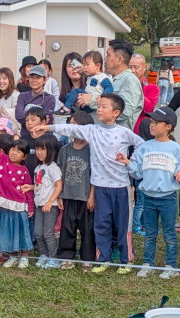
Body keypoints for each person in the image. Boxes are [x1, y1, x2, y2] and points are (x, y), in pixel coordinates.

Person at [52, 94, 142, 274]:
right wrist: (47, 127)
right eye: (98, 106)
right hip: (100, 187)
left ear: (116, 112)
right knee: (101, 224)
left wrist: (130, 162)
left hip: (120, 187)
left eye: (104, 107)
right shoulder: (92, 130)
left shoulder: (124, 132)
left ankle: (125, 260)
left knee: (122, 225)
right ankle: (104, 259)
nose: (99, 110)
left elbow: (142, 145)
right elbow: (69, 129)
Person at [128, 107, 180, 280]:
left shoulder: (174, 148)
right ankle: (148, 263)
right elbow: (137, 172)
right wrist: (127, 163)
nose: (151, 125)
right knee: (150, 233)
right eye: (151, 122)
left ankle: (171, 266)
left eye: (156, 122)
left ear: (168, 126)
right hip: (148, 197)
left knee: (169, 233)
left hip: (168, 198)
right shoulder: (144, 147)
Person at [0, 133, 34, 267]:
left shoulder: (24, 171)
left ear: (25, 156)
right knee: (7, 230)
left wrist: (30, 206)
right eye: (13, 149)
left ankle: (24, 256)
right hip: (5, 206)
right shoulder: (2, 160)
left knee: (21, 230)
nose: (14, 153)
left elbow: (28, 190)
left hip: (19, 206)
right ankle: (12, 256)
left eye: (19, 152)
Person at [56, 112, 96, 268]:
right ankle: (67, 256)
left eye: (75, 125)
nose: (71, 128)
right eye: (70, 124)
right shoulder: (65, 149)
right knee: (67, 227)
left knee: (87, 229)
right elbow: (60, 173)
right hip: (68, 195)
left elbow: (95, 175)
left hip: (85, 196)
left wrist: (92, 196)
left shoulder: (92, 150)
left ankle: (87, 258)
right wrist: (59, 196)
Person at [31, 135, 63, 268]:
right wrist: (30, 187)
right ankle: (44, 254)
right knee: (38, 232)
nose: (39, 152)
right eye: (37, 149)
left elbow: (59, 185)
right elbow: (41, 185)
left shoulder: (53, 167)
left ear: (51, 150)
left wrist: (50, 202)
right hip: (39, 204)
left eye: (43, 149)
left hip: (50, 206)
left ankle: (54, 257)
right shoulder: (38, 168)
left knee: (48, 233)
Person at [105, 41, 143, 130]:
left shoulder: (130, 80)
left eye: (108, 55)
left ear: (119, 60)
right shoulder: (109, 79)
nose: (105, 58)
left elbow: (124, 112)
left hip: (116, 140)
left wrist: (94, 102)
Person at [129, 54, 160, 135]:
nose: (132, 70)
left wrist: (136, 89)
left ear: (144, 68)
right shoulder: (123, 85)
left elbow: (148, 109)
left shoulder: (152, 88)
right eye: (129, 67)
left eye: (136, 67)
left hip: (140, 131)